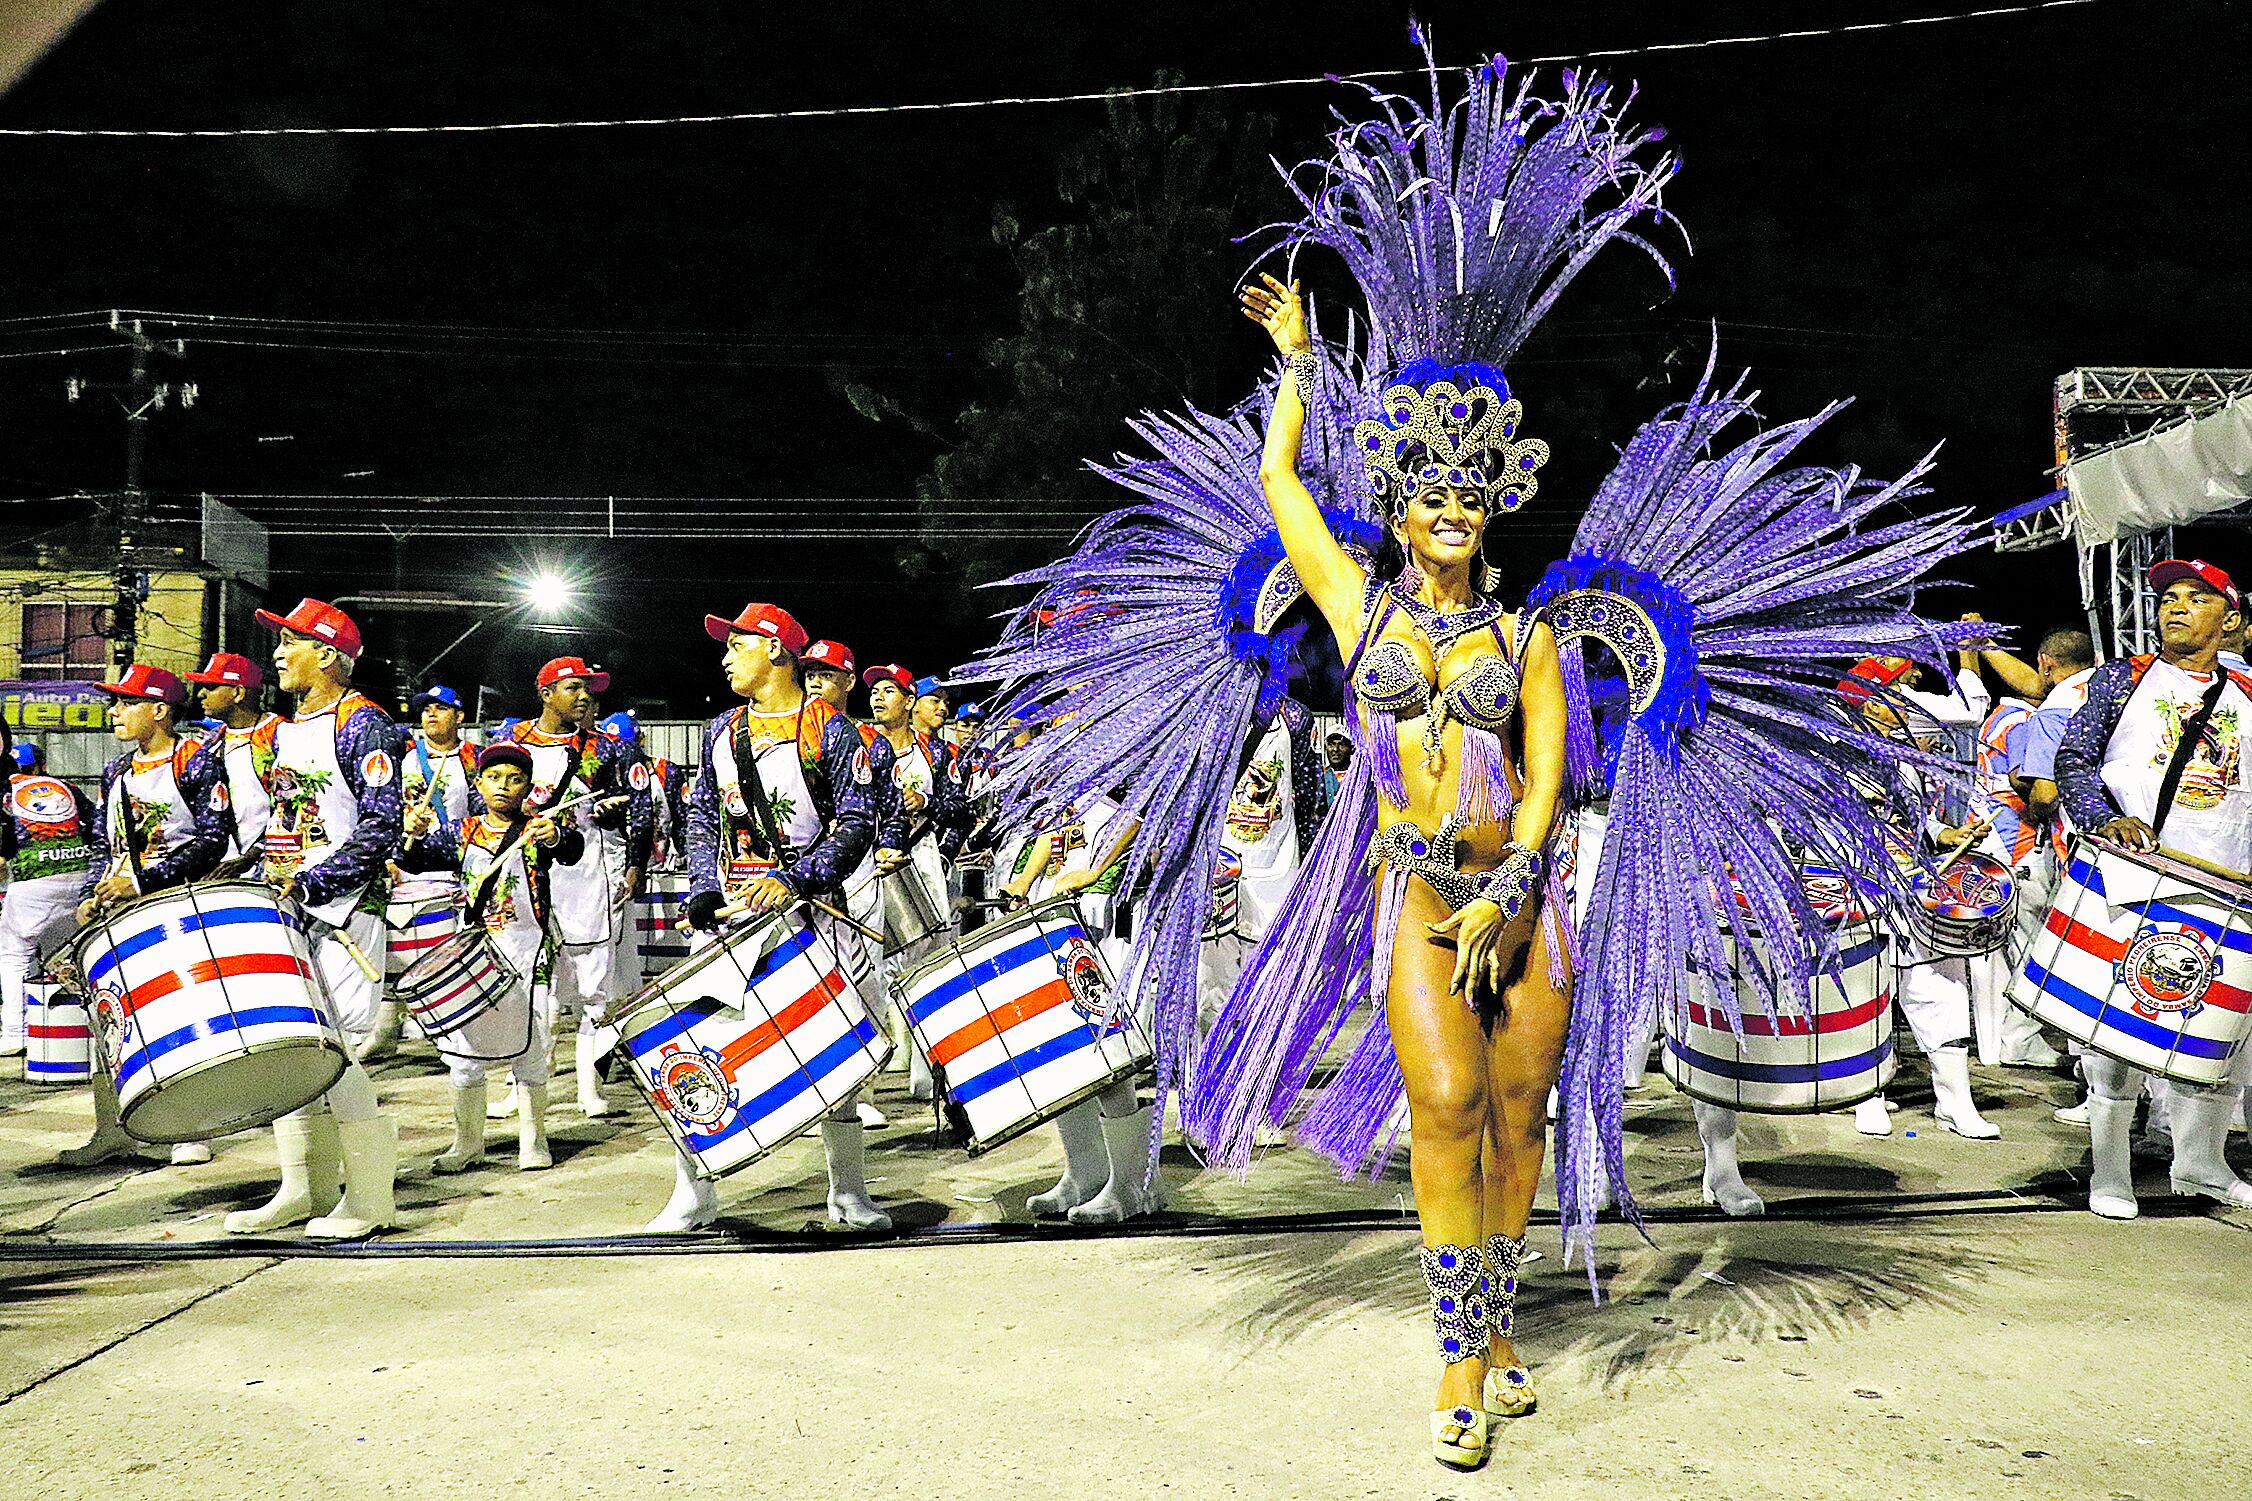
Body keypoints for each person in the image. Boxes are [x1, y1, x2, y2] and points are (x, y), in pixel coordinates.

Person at [653, 602, 882, 1232]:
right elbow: (700, 812)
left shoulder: (834, 733)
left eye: (737, 645)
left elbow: (858, 825)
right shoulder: (721, 729)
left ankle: (848, 1194)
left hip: (815, 911)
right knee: (698, 1049)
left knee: (833, 1048)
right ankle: (694, 1193)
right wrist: (701, 886)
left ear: (775, 650)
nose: (725, 657)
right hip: (732, 913)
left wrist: (794, 878)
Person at [2054, 558, 2252, 1216]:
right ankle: (2109, 1171)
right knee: (2116, 1037)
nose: (2175, 607)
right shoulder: (2123, 679)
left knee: (2222, 1039)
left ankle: (2201, 1163)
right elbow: (2074, 758)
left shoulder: (2249, 693)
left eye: (2196, 598)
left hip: (2225, 889)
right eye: (2168, 597)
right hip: (2137, 877)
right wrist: (2103, 817)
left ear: (2228, 619)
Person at [223, 599, 403, 1238]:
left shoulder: (365, 725)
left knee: (342, 1054)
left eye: (289, 642)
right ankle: (304, 1186)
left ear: (327, 655)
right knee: (291, 1046)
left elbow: (382, 826)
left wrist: (313, 881)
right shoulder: (273, 733)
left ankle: (373, 1199)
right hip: (289, 907)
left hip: (348, 912)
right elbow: (281, 820)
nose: (276, 653)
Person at [65, 663, 235, 1167]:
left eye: (126, 702)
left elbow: (211, 840)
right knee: (109, 1019)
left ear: (160, 710)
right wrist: (92, 888)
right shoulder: (115, 770)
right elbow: (104, 839)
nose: (114, 711)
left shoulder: (197, 762)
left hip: (173, 905)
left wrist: (141, 881)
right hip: (116, 906)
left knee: (181, 1016)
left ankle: (192, 1128)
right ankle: (111, 1128)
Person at [402, 742, 579, 1173]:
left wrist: (556, 835)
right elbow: (412, 859)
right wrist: (415, 831)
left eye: (515, 779)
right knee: (464, 1047)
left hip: (529, 949)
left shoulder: (538, 829)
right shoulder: (461, 833)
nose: (504, 787)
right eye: (494, 778)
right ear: (478, 783)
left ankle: (533, 1141)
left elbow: (570, 849)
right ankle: (467, 1144)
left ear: (527, 787)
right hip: (476, 953)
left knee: (532, 1040)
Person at [492, 658, 651, 1119]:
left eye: (588, 690)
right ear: (545, 693)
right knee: (525, 984)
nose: (584, 697)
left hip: (587, 880)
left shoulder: (608, 749)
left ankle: (589, 1088)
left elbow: (641, 808)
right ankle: (520, 1086)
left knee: (592, 987)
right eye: (573, 688)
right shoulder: (510, 743)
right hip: (525, 879)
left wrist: (635, 861)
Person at [802, 638, 898, 1129]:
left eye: (826, 674)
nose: (816, 682)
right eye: (810, 673)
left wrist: (892, 842)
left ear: (847, 682)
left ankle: (863, 1087)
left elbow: (891, 806)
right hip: (802, 878)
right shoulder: (792, 738)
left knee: (863, 977)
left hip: (857, 871)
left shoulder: (868, 741)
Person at [862, 661, 967, 1100]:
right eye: (874, 690)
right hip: (868, 864)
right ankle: (875, 1069)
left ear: (908, 701)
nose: (878, 697)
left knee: (928, 967)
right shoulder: (858, 747)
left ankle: (926, 1072)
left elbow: (960, 809)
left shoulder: (936, 754)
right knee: (870, 964)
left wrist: (926, 805)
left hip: (921, 862)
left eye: (889, 690)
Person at [0, 729, 98, 1062]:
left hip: (32, 878)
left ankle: (15, 1033)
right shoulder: (66, 787)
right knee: (80, 951)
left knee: (14, 954)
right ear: (39, 766)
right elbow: (95, 822)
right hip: (81, 872)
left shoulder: (6, 789)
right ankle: (91, 1028)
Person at [184, 651, 281, 865]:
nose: (201, 694)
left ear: (238, 693)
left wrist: (254, 854)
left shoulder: (280, 735)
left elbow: (292, 808)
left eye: (211, 687)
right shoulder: (213, 743)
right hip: (221, 869)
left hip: (270, 867)